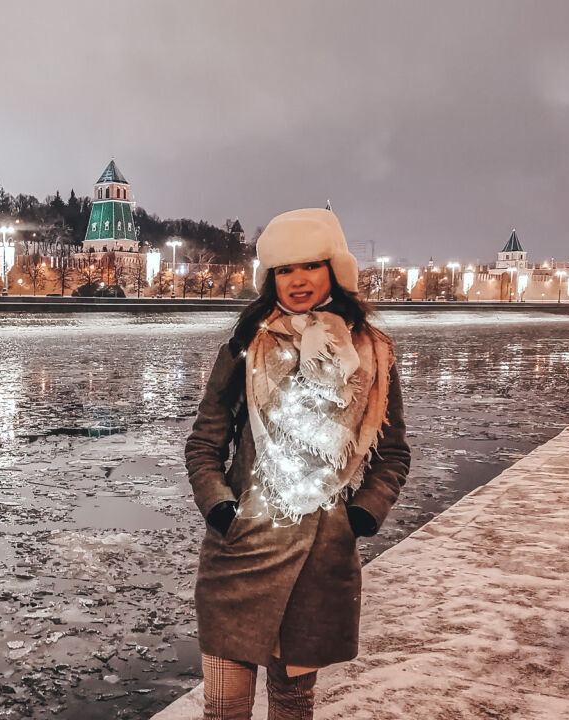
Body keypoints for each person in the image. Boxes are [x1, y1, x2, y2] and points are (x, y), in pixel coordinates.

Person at [184, 208, 410, 719]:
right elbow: (204, 442)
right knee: (224, 709)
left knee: (292, 708)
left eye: (310, 265)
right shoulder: (245, 346)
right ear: (270, 278)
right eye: (285, 269)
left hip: (319, 561)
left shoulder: (372, 353)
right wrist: (221, 508)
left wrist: (361, 516)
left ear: (335, 270)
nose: (298, 280)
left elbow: (392, 452)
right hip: (241, 551)